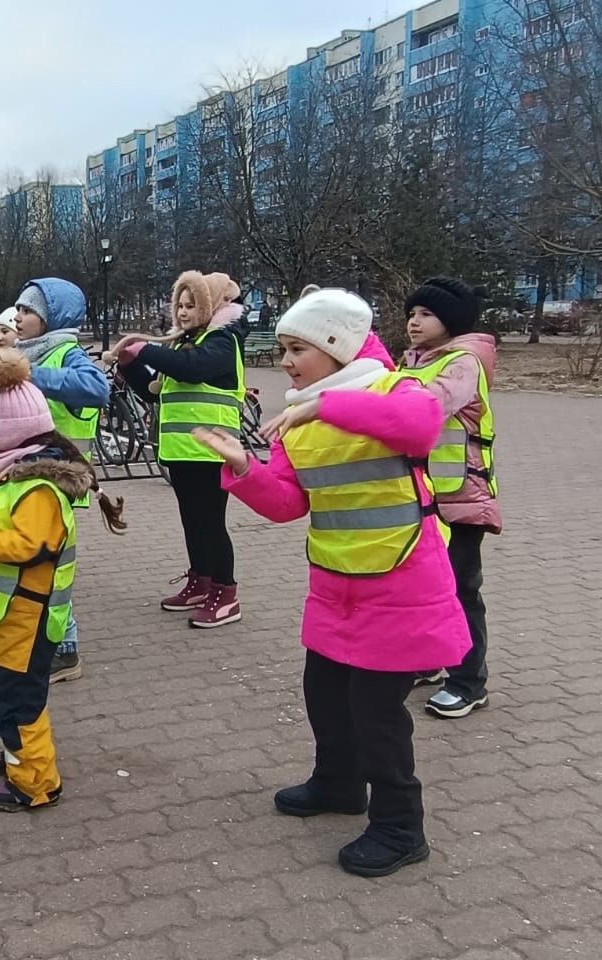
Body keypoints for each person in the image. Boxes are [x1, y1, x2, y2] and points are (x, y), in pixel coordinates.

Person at [193, 288, 469, 878]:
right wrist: (243, 468)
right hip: (335, 586)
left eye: (298, 349)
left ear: (337, 348)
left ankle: (400, 827)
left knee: (376, 713)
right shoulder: (299, 419)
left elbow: (421, 426)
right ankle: (339, 785)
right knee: (324, 695)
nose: (286, 362)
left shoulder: (393, 390)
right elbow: (288, 503)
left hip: (401, 583)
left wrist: (324, 407)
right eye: (284, 350)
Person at [0, 349, 125, 812]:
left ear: (7, 437)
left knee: (19, 700)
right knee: (5, 691)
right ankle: (15, 751)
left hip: (26, 616)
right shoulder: (12, 476)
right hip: (5, 615)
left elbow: (24, 545)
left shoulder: (37, 488)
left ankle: (36, 782)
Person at [113, 271, 248, 627]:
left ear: (210, 306)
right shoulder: (184, 344)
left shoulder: (223, 341)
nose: (184, 312)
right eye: (180, 305)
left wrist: (146, 349)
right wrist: (131, 365)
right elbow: (154, 392)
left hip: (211, 451)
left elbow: (193, 369)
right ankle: (201, 580)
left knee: (211, 524)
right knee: (192, 520)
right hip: (182, 451)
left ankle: (226, 593)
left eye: (192, 305)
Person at [402, 277, 501, 719]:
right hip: (424, 495)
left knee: (460, 589)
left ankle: (468, 682)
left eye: (426, 314)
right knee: (423, 584)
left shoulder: (462, 363)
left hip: (461, 497)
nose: (414, 322)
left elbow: (427, 407)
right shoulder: (415, 361)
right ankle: (429, 660)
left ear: (452, 320)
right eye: (411, 314)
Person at [13, 278, 110, 682]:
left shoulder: (65, 352)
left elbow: (96, 388)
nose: (18, 317)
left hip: (60, 478)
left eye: (27, 310)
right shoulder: (28, 351)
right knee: (35, 563)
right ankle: (47, 640)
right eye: (18, 309)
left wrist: (32, 375)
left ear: (51, 317)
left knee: (49, 568)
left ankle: (64, 648)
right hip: (31, 476)